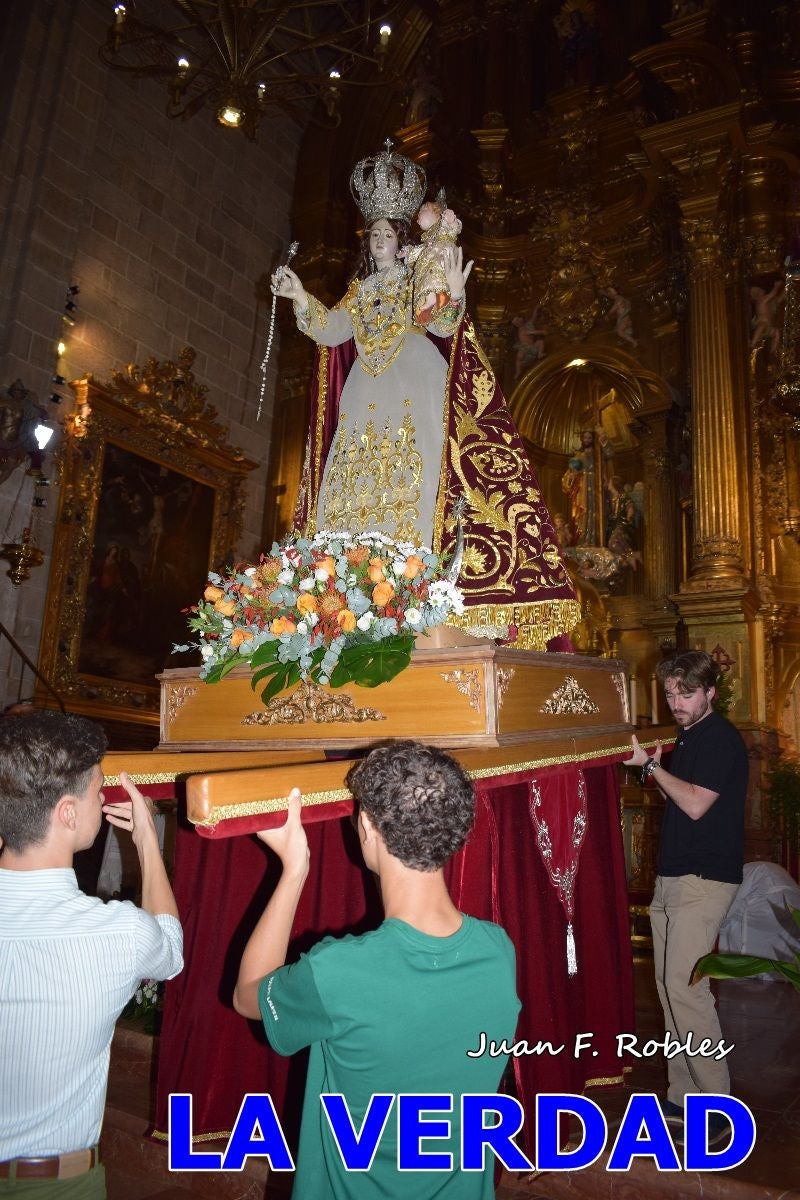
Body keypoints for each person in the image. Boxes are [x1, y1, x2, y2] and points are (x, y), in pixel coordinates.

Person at [272, 140, 578, 650]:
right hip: (364, 390)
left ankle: (413, 584)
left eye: (387, 234)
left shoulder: (417, 275)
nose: (379, 241)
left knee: (417, 472)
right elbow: (332, 329)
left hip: (413, 382)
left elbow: (441, 322)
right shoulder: (358, 292)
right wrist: (300, 295)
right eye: (373, 234)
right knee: (352, 477)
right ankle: (344, 587)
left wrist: (454, 293)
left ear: (401, 240)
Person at [233, 740, 521, 1199]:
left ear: (366, 826)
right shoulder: (498, 951)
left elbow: (249, 994)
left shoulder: (340, 971)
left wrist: (293, 870)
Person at [0, 711, 183, 1197]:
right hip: (54, 1186)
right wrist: (146, 839)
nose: (102, 800)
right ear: (67, 813)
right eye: (97, 790)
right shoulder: (116, 933)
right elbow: (170, 951)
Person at [623, 651, 746, 1142]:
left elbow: (695, 804)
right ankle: (682, 1095)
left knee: (687, 989)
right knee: (668, 986)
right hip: (675, 876)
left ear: (710, 692)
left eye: (686, 693)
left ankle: (717, 1106)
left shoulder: (719, 738)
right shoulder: (688, 736)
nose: (676, 702)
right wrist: (650, 770)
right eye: (671, 693)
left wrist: (651, 768)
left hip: (705, 878)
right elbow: (678, 797)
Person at [403, 194, 463, 325]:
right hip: (430, 259)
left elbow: (454, 230)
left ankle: (436, 298)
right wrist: (408, 252)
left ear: (435, 212)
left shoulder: (442, 225)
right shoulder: (427, 238)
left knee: (433, 273)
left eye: (421, 212)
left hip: (442, 255)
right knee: (425, 278)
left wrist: (451, 221)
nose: (417, 218)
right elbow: (420, 250)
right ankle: (430, 298)